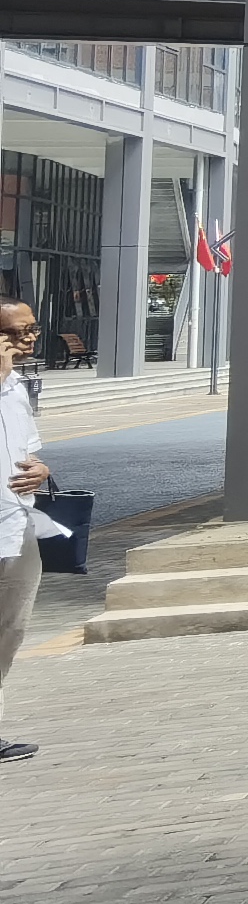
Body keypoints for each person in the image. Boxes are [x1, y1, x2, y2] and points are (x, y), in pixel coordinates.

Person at [0, 302, 52, 764]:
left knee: (10, 631)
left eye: (33, 328)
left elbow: (28, 449)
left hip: (17, 525)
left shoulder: (18, 387)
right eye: (19, 331)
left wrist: (41, 469)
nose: (30, 337)